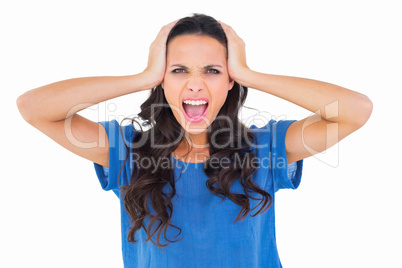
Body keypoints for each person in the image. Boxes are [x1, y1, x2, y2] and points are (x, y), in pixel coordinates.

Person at [16, 13, 373, 268]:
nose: (195, 84)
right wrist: (144, 76)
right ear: (162, 80)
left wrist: (250, 73)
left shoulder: (266, 148)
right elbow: (33, 107)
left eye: (213, 71)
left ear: (229, 80)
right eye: (179, 70)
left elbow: (355, 110)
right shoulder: (128, 152)